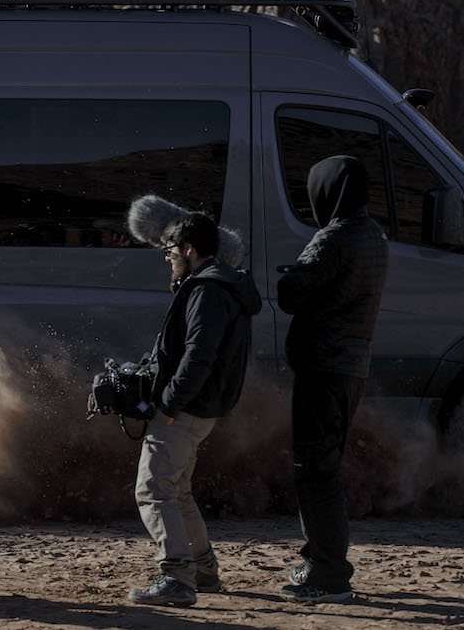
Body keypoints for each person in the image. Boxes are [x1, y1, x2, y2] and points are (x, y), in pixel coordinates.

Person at [129, 211, 262, 607]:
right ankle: (202, 570)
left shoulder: (206, 290)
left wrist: (169, 403)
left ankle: (176, 578)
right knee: (178, 491)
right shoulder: (220, 284)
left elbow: (199, 355)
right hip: (202, 409)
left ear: (188, 248)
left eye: (169, 250)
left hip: (185, 410)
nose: (167, 257)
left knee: (153, 490)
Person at [277, 155, 388, 603]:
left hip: (323, 370)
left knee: (315, 471)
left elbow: (291, 294)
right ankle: (324, 562)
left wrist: (292, 274)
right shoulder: (373, 236)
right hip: (350, 369)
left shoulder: (335, 237)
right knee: (325, 468)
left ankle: (327, 573)